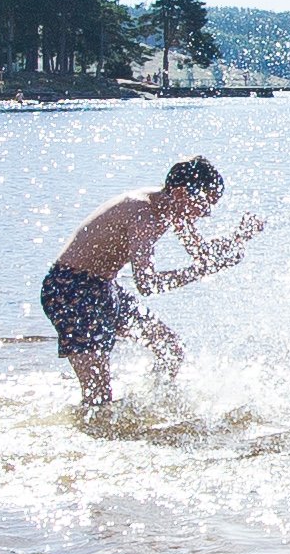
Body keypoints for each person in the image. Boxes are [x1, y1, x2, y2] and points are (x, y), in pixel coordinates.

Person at [39, 157, 250, 415]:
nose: (206, 214)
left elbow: (201, 253)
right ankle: (88, 438)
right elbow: (148, 284)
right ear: (182, 193)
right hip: (71, 290)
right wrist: (204, 270)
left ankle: (152, 407)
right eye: (205, 205)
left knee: (170, 347)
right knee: (98, 395)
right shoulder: (143, 214)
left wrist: (237, 239)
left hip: (105, 287)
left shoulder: (173, 208)